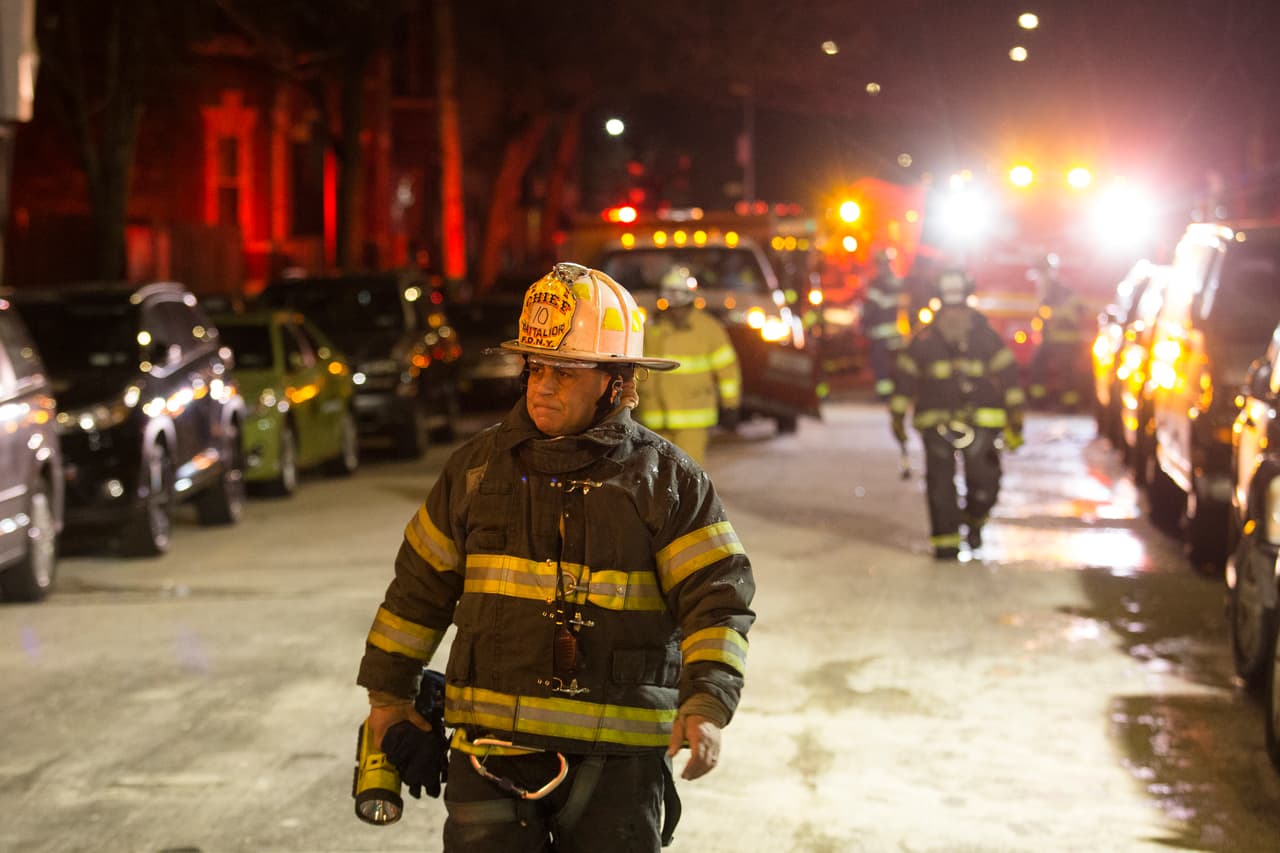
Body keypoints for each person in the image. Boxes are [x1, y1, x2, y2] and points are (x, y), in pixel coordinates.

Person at [356, 262, 757, 851]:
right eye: (537, 367)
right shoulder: (475, 469)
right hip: (489, 752)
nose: (543, 386)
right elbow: (416, 592)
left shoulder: (667, 481)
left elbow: (716, 601)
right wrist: (387, 699)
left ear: (615, 381)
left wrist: (706, 704)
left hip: (615, 766)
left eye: (566, 372)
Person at [889, 268, 1025, 560]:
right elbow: (904, 381)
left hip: (983, 422)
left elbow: (1010, 377)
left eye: (958, 305)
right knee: (940, 483)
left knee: (985, 482)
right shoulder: (923, 341)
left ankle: (974, 521)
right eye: (948, 305)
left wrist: (1016, 416)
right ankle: (946, 543)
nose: (954, 312)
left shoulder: (987, 338)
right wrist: (897, 418)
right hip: (935, 422)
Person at [634, 266, 742, 465]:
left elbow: (727, 368)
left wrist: (730, 404)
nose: (677, 311)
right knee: (659, 480)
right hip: (654, 420)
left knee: (688, 477)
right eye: (672, 305)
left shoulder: (708, 329)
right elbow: (638, 368)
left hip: (693, 421)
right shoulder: (651, 328)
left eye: (681, 305)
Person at [1026, 252, 1089, 410]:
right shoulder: (1049, 290)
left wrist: (1053, 314)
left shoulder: (1059, 290)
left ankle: (1069, 405)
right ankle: (1039, 401)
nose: (1038, 279)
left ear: (1047, 273)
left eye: (1040, 274)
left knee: (1066, 372)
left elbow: (1079, 309)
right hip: (1052, 339)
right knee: (1039, 365)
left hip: (1065, 340)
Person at [859, 248, 906, 400]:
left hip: (880, 335)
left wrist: (863, 325)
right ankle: (897, 392)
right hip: (897, 334)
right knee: (895, 365)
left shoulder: (877, 284)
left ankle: (885, 395)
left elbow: (870, 310)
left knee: (881, 365)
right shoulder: (898, 282)